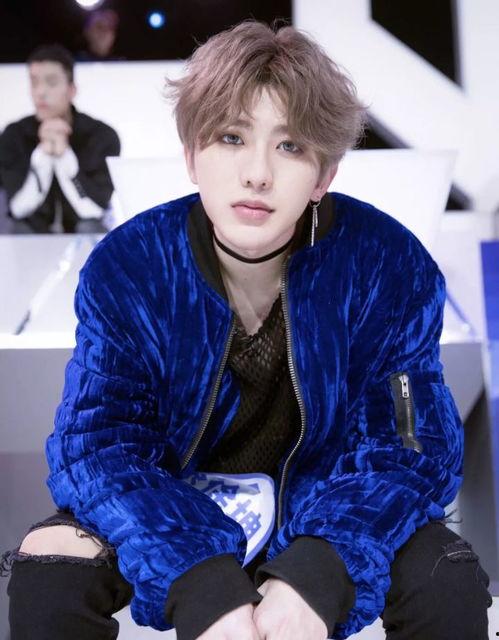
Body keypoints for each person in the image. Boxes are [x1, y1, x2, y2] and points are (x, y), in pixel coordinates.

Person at [1, 20, 491, 640]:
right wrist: (198, 575)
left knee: (446, 576)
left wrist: (322, 566)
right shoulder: (130, 268)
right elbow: (98, 446)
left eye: (290, 147)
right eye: (232, 137)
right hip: (172, 500)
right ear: (191, 156)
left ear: (323, 175)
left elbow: (410, 443)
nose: (257, 173)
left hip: (324, 506)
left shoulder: (386, 264)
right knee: (49, 567)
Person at [0, 44, 120, 234]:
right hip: (30, 238)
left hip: (85, 236)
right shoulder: (14, 135)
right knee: (17, 229)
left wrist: (64, 157)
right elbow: (18, 209)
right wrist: (42, 156)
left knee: (90, 227)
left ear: (71, 90)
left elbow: (94, 211)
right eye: (34, 83)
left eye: (51, 83)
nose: (40, 92)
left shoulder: (101, 136)